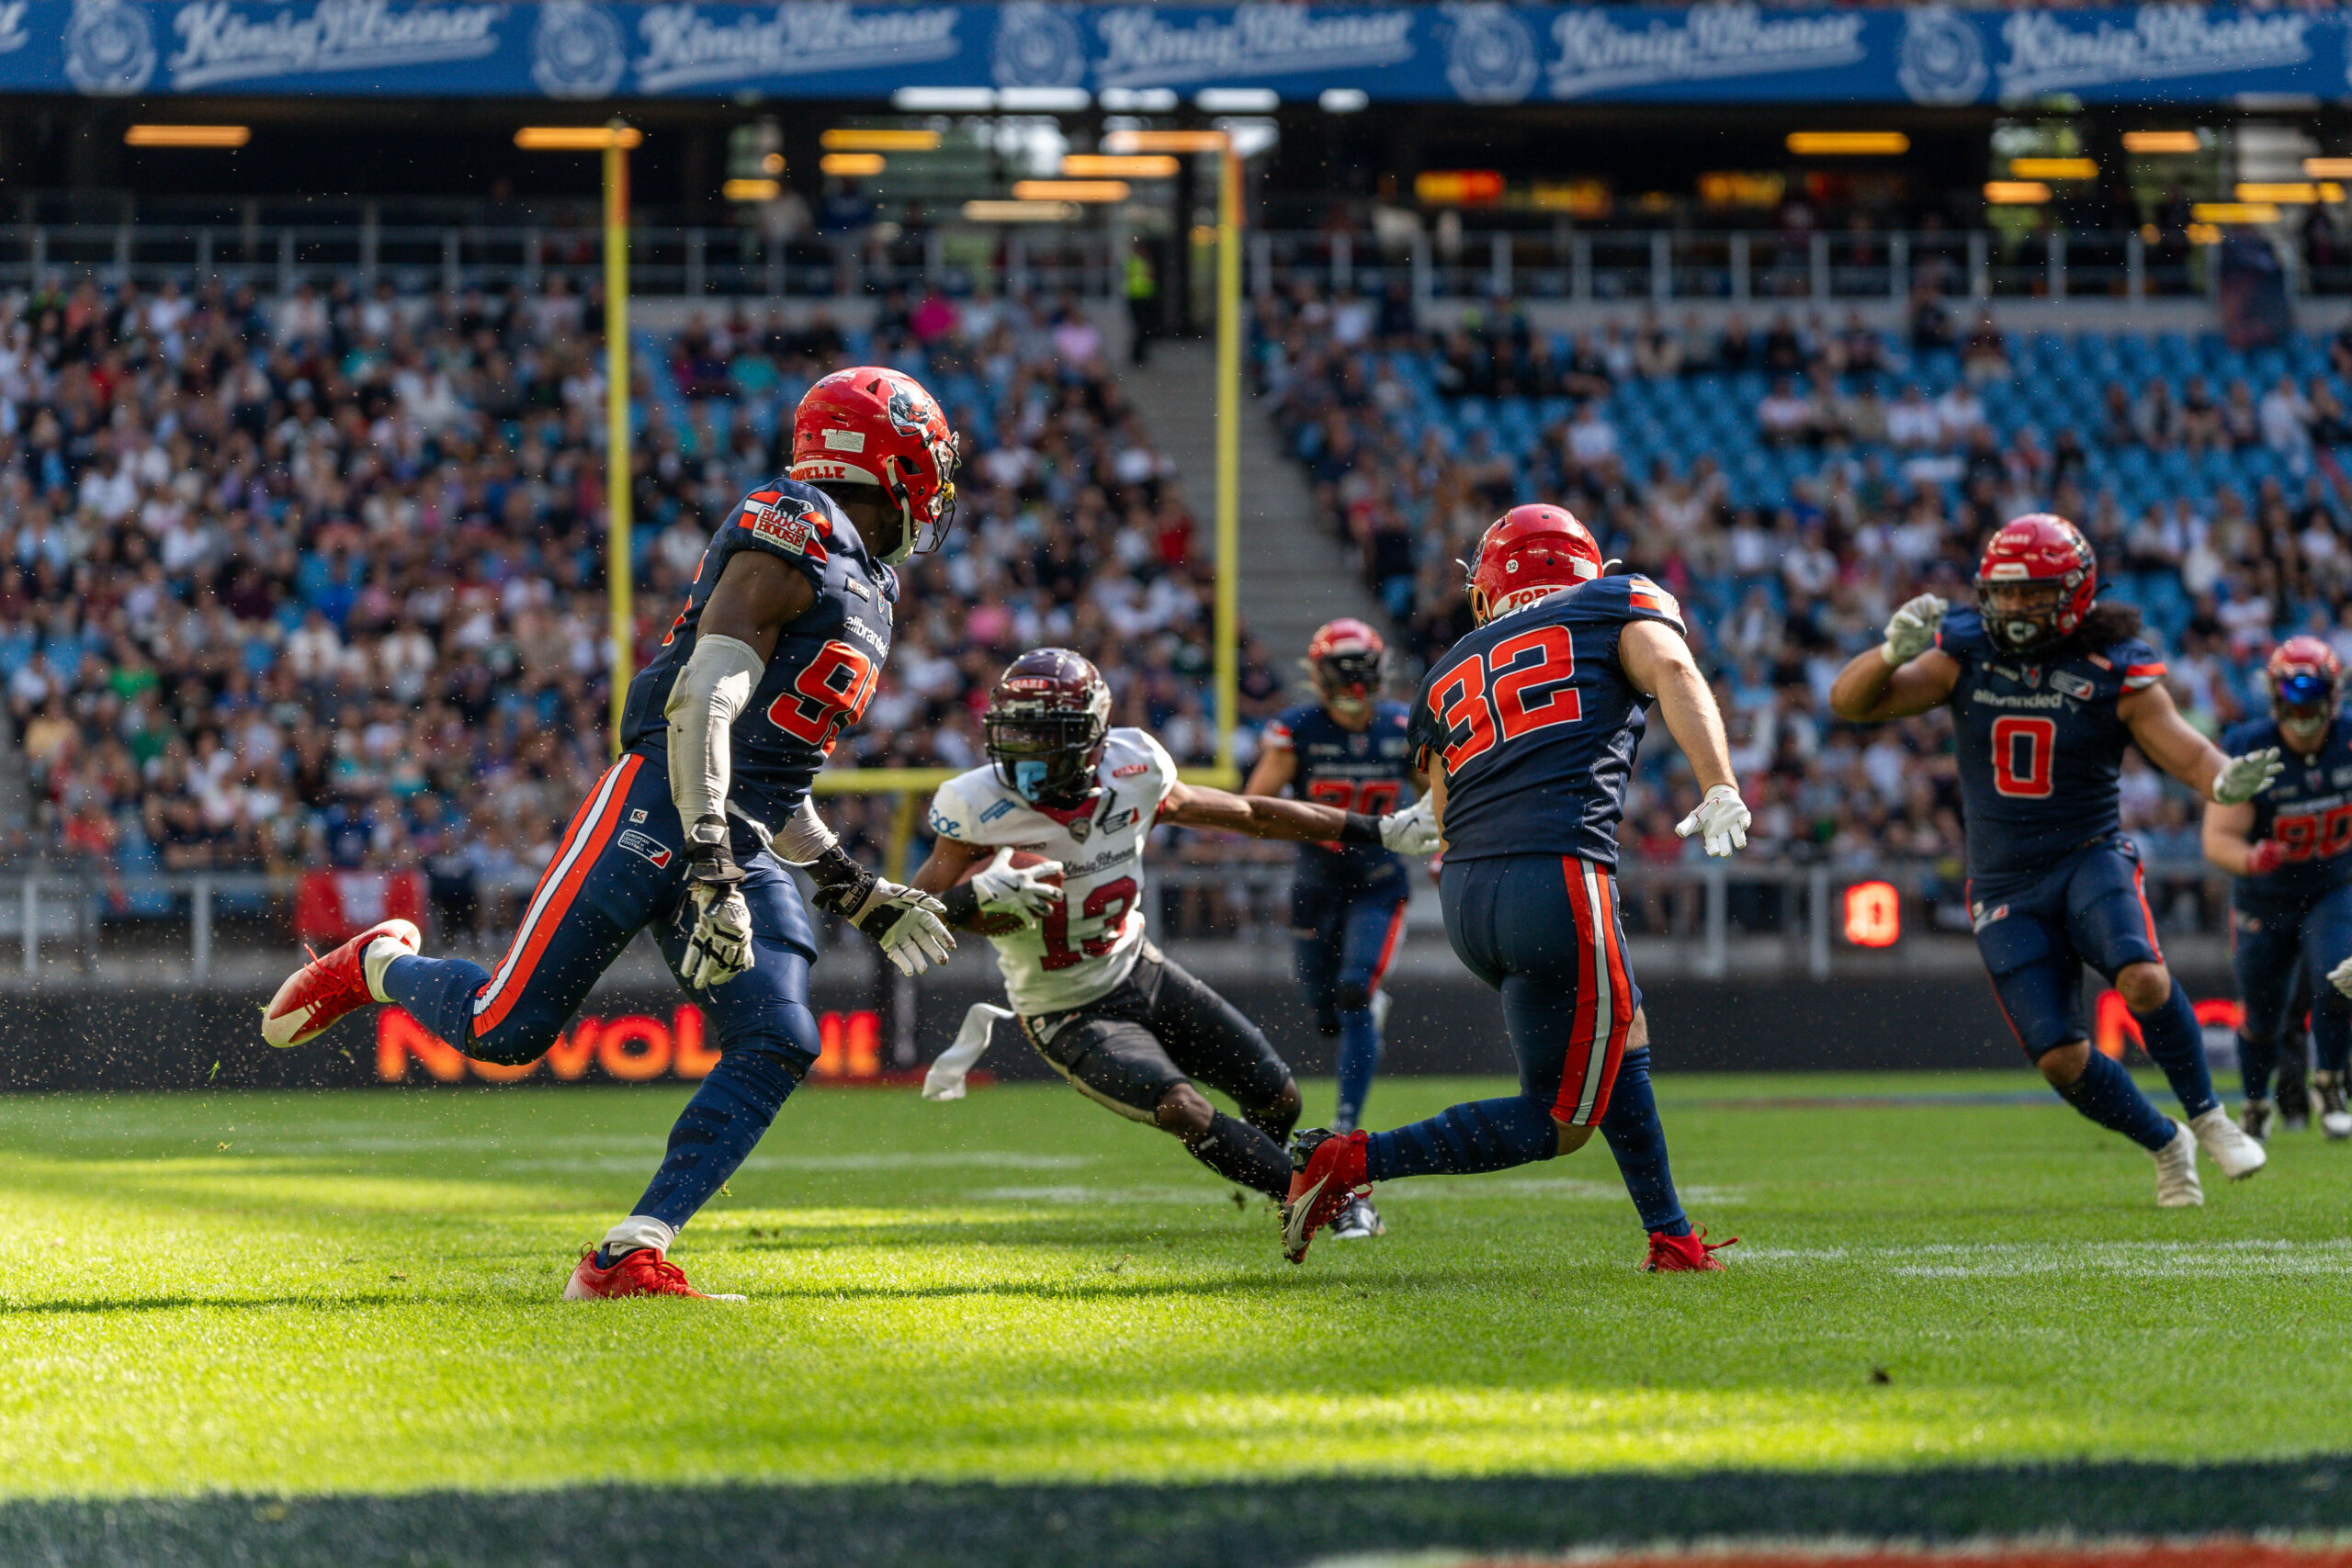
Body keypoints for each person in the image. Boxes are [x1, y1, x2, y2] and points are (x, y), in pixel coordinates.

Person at [263, 367, 965, 1299]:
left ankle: (629, 1250)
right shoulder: (795, 524)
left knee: (782, 1035)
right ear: (888, 455)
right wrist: (710, 857)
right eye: (929, 462)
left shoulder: (871, 588)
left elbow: (776, 781)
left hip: (735, 825)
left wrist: (850, 887)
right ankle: (379, 965)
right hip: (661, 805)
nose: (939, 484)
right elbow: (701, 702)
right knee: (504, 1031)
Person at [1281, 505, 1747, 1271]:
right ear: (1580, 565)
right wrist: (1718, 781)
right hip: (1559, 878)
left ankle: (1673, 1237)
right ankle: (1350, 1160)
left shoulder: (1443, 672)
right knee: (1557, 1122)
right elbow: (1672, 670)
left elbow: (1436, 811)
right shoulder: (1616, 600)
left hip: (1468, 896)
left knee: (1622, 1031)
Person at [1828, 513, 2278, 1206]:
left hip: (2087, 854)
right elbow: (1851, 702)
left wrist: (2222, 781)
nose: (2012, 608)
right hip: (2006, 877)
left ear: (2072, 591)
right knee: (2061, 1057)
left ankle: (2210, 1117)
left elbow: (2185, 749)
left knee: (2142, 978)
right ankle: (2165, 1141)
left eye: (2031, 593)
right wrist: (1888, 651)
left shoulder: (2114, 662)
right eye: (2003, 593)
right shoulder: (1964, 650)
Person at [909, 649, 1440, 1206]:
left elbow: (1250, 813)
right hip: (1062, 1005)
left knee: (1279, 1097)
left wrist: (1380, 830)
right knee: (1181, 1107)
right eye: (1017, 732)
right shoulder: (979, 802)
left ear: (1092, 734)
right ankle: (1322, 1202)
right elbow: (917, 914)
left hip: (1140, 968)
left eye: (1047, 733)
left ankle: (1272, 1180)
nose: (1026, 751)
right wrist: (975, 897)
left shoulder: (1132, 766)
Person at [1241, 617, 1424, 1240]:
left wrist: (1442, 833)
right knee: (1324, 1009)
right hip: (1316, 888)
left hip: (1377, 883)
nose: (1352, 682)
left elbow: (1437, 796)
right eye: (1341, 670)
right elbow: (1258, 803)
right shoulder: (1296, 729)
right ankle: (1357, 1012)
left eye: (1359, 668)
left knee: (1353, 994)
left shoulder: (1402, 726)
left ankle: (1345, 1127)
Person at [2207, 637, 2352, 1141]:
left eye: (2313, 692)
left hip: (2332, 885)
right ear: (2273, 694)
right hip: (2264, 895)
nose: (2303, 705)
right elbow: (2217, 836)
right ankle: (2253, 1104)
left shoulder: (2349, 738)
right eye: (2292, 691)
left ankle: (2330, 1083)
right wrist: (2250, 858)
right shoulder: (2251, 744)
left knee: (2338, 979)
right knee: (2262, 1015)